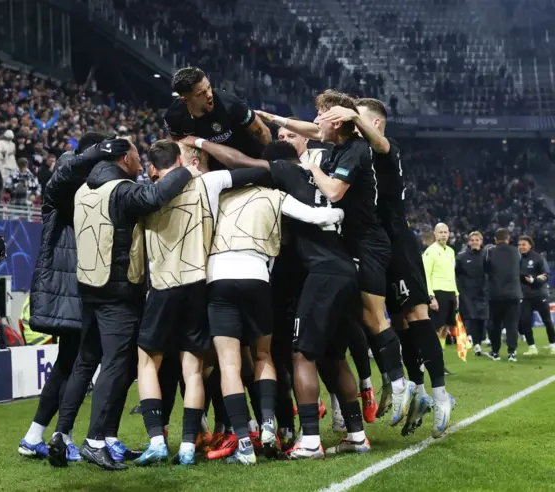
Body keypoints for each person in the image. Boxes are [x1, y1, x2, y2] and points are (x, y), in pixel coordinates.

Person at [179, 137, 370, 459]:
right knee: (334, 357)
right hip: (344, 270)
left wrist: (200, 143)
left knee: (298, 355)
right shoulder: (319, 179)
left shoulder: (273, 185)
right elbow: (323, 215)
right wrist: (337, 216)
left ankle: (306, 440)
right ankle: (356, 434)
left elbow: (242, 165)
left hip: (308, 275)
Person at [256, 91, 414, 432]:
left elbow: (334, 192)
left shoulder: (357, 149)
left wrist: (309, 166)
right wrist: (277, 120)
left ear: (339, 121)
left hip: (368, 242)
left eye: (320, 116)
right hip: (349, 243)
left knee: (372, 317)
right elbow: (311, 131)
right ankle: (372, 392)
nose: (314, 123)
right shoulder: (340, 144)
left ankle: (399, 383)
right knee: (351, 319)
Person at [133, 141, 273, 466]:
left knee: (148, 363)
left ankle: (156, 439)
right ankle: (186, 445)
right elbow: (251, 171)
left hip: (163, 284)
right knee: (194, 368)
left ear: (153, 167)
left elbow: (137, 249)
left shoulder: (145, 194)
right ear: (182, 160)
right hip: (200, 282)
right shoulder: (209, 182)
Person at [320, 98, 452, 439]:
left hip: (399, 242)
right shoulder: (355, 150)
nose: (350, 125)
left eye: (356, 119)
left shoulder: (384, 150)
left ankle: (440, 395)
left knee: (418, 316)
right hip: (378, 247)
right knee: (395, 322)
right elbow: (320, 130)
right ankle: (417, 390)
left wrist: (351, 115)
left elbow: (379, 141)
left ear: (373, 123)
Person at [66, 139, 194, 470]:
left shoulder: (83, 190)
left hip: (89, 289)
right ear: (125, 159)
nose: (142, 162)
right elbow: (153, 197)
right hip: (117, 293)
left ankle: (103, 437)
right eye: (138, 156)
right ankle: (94, 440)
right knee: (116, 363)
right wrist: (185, 171)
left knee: (92, 361)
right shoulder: (121, 190)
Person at [18, 133, 133, 463]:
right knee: (79, 360)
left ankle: (39, 435)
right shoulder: (68, 175)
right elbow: (66, 171)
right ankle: (57, 435)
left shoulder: (87, 190)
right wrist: (97, 153)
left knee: (73, 361)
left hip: (78, 283)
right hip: (69, 285)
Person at [164, 67, 271, 170]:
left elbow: (263, 133)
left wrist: (269, 166)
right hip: (213, 171)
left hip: (250, 161)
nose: (210, 95)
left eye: (209, 87)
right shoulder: (174, 117)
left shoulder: (230, 104)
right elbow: (178, 148)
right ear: (185, 100)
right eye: (201, 94)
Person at [423, 223, 459, 370]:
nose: (443, 235)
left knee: (445, 327)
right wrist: (431, 297)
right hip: (438, 292)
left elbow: (452, 274)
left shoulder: (450, 251)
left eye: (445, 232)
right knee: (436, 328)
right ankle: (432, 361)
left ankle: (440, 358)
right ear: (435, 234)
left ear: (449, 234)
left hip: (450, 292)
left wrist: (456, 294)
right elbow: (425, 275)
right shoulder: (430, 252)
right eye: (440, 232)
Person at [484, 228, 522, 362]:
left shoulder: (490, 251)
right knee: (512, 324)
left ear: (495, 239)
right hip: (514, 294)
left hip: (495, 295)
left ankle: (495, 352)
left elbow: (486, 269)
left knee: (495, 325)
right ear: (508, 239)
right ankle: (512, 352)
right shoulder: (516, 251)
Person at [518, 235, 555, 355]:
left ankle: (553, 344)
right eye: (519, 245)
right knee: (525, 321)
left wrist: (534, 280)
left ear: (530, 245)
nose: (521, 247)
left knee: (547, 321)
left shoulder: (538, 258)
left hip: (540, 294)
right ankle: (532, 347)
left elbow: (546, 275)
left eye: (523, 244)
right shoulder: (518, 259)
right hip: (525, 296)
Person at [456, 231, 489, 356]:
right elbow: (457, 274)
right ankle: (477, 345)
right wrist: (460, 291)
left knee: (482, 319)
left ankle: (479, 342)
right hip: (468, 294)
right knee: (473, 318)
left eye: (477, 240)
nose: (475, 242)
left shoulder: (487, 255)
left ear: (481, 241)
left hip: (483, 293)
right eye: (472, 240)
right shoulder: (461, 256)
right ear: (469, 242)